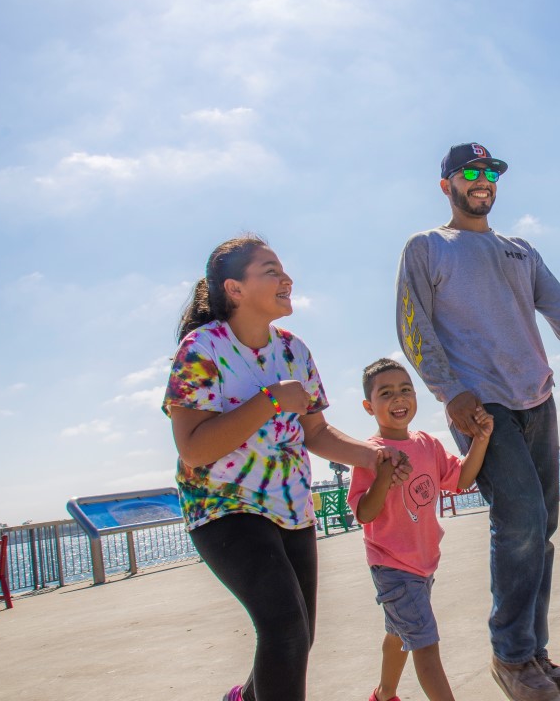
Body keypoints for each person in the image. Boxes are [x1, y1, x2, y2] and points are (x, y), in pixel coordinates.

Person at [395, 142, 560, 701]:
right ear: (447, 184)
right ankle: (510, 657)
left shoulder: (520, 251)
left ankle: (534, 653)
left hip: (537, 399)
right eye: (471, 172)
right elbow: (413, 327)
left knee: (543, 530)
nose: (483, 180)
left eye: (491, 173)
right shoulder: (427, 246)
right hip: (481, 407)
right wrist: (451, 391)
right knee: (521, 523)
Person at [163, 236, 410, 701]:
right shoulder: (202, 349)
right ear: (234, 289)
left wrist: (373, 456)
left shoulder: (294, 350)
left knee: (297, 637)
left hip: (292, 508)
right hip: (223, 507)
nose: (286, 278)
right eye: (271, 270)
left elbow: (316, 433)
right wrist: (270, 400)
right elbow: (193, 449)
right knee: (286, 630)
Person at [350, 358, 494, 701]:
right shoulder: (368, 454)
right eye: (386, 393)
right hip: (392, 565)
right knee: (425, 646)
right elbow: (364, 514)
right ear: (369, 407)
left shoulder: (427, 443)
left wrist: (481, 440)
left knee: (398, 633)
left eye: (405, 390)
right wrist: (384, 475)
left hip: (424, 561)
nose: (398, 399)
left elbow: (461, 479)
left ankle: (384, 694)